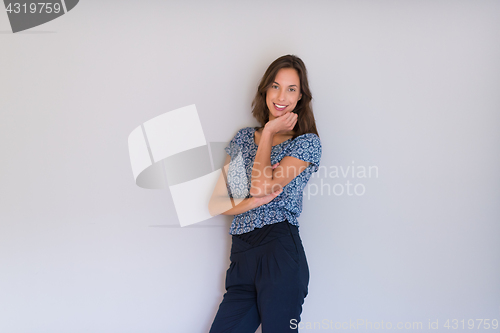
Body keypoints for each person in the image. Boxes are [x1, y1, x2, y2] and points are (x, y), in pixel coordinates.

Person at [208, 54, 322, 333]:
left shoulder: (307, 143)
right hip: (242, 254)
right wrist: (254, 201)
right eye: (275, 86)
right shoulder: (244, 138)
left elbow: (259, 186)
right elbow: (218, 204)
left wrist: (270, 131)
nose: (281, 95)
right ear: (265, 90)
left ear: (300, 98)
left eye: (291, 89)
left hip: (279, 251)